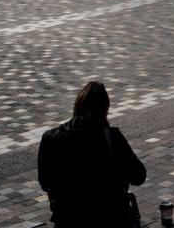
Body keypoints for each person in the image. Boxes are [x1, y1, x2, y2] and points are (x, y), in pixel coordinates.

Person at [38, 81, 146, 227]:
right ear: (105, 109)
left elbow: (45, 183)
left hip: (67, 220)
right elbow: (138, 176)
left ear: (77, 106)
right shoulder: (111, 137)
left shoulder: (50, 138)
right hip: (110, 219)